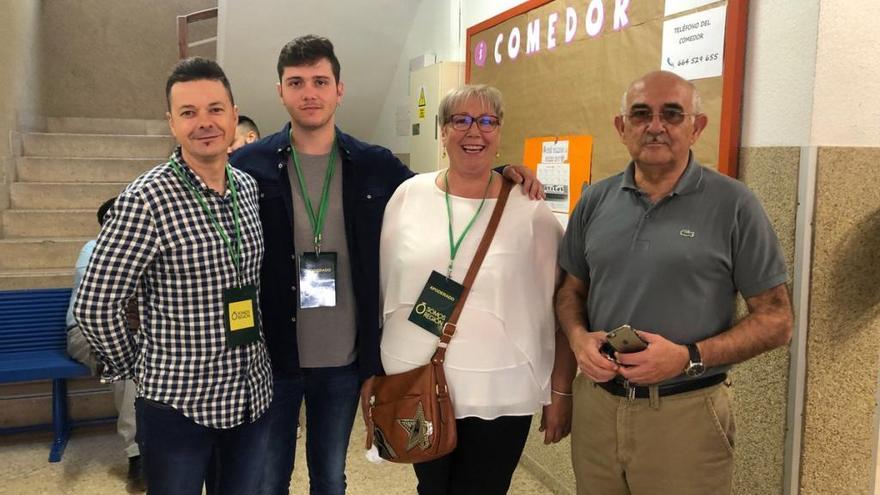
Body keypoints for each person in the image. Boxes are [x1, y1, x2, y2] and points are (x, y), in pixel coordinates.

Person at [230, 35, 541, 495]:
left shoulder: (376, 165)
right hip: (273, 352)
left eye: (320, 81)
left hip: (344, 355)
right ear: (280, 91)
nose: (309, 93)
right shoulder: (248, 165)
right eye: (296, 83)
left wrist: (501, 174)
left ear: (340, 89)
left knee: (330, 477)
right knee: (268, 477)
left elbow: (445, 193)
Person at [555, 70, 794, 495]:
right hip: (597, 410)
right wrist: (577, 338)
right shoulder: (594, 200)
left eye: (672, 114)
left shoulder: (735, 204)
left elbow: (777, 320)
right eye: (641, 114)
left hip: (687, 413)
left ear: (696, 127)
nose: (655, 126)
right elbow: (572, 290)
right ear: (621, 127)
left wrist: (688, 356)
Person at [74, 57, 273, 495]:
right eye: (188, 113)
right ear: (171, 123)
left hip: (249, 396)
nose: (204, 122)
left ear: (234, 115)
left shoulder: (247, 189)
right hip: (179, 405)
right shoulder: (146, 199)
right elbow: (94, 304)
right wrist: (136, 365)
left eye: (215, 109)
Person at [374, 84, 576, 495]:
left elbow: (564, 299)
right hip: (417, 382)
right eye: (460, 120)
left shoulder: (528, 207)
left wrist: (560, 389)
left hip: (500, 390)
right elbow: (385, 286)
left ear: (499, 133)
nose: (474, 132)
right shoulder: (407, 196)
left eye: (487, 121)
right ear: (442, 130)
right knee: (431, 490)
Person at [65, 197, 144, 491]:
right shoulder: (93, 249)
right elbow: (99, 304)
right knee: (127, 361)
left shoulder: (143, 251)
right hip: (85, 333)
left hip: (138, 329)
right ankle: (137, 454)